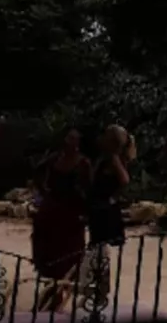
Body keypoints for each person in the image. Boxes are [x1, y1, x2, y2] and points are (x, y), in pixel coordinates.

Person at [29, 129, 90, 309]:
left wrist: (84, 211)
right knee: (47, 249)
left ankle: (61, 291)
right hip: (51, 209)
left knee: (68, 253)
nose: (69, 140)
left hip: (70, 212)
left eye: (73, 138)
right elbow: (37, 172)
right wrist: (44, 191)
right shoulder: (55, 158)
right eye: (67, 137)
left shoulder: (82, 162)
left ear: (78, 142)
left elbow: (88, 189)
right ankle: (51, 291)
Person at [86, 125, 135, 249]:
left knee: (101, 246)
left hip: (105, 207)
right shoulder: (103, 158)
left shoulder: (114, 158)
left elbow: (124, 180)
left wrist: (112, 198)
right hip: (98, 205)